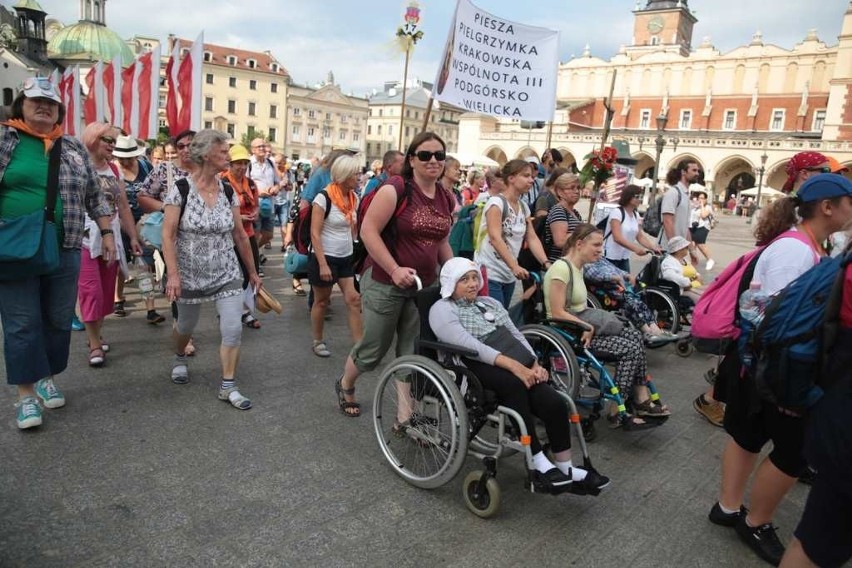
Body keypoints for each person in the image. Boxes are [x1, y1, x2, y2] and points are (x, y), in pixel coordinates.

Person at [708, 174, 852, 566]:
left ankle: (729, 507)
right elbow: (786, 325)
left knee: (748, 435)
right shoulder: (797, 250)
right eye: (848, 202)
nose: (851, 210)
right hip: (775, 366)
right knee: (791, 452)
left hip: (759, 362)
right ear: (827, 207)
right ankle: (754, 520)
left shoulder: (803, 244)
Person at [429, 257, 610, 493]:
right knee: (514, 383)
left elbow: (516, 335)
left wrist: (533, 363)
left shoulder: (489, 303)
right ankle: (536, 460)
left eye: (475, 278)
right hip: (469, 364)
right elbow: (471, 346)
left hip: (511, 360)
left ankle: (565, 467)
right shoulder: (442, 309)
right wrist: (515, 367)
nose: (472, 283)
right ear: (451, 283)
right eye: (464, 280)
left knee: (553, 401)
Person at [0, 77, 117, 429]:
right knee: (21, 322)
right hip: (13, 246)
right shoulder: (5, 139)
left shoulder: (72, 147)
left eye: (50, 103)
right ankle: (25, 397)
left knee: (57, 317)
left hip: (65, 244)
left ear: (59, 111)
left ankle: (47, 376)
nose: (43, 106)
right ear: (21, 104)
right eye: (36, 100)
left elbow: (94, 194)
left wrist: (108, 232)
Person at [335, 132, 455, 417]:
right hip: (384, 281)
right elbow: (368, 231)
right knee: (373, 349)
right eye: (425, 155)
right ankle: (345, 384)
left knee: (411, 351)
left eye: (439, 155)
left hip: (423, 286)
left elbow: (442, 242)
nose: (433, 161)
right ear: (412, 160)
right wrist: (394, 268)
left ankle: (405, 417)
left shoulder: (446, 198)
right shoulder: (397, 189)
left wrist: (456, 274)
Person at [161, 129, 261, 410]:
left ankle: (228, 385)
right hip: (189, 272)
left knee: (232, 329)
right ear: (207, 155)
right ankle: (179, 356)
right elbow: (167, 235)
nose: (229, 157)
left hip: (226, 272)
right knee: (185, 326)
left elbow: (240, 235)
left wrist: (253, 273)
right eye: (224, 152)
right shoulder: (180, 190)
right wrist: (173, 274)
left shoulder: (228, 190)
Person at [543, 223, 669, 428]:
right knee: (629, 349)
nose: (600, 250)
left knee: (636, 336)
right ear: (579, 243)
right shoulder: (561, 269)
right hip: (568, 333)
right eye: (596, 245)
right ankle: (617, 409)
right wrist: (587, 326)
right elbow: (557, 312)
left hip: (579, 327)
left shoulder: (577, 268)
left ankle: (639, 395)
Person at [77, 122, 142, 367]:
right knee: (90, 291)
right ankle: (94, 344)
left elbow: (123, 206)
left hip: (111, 238)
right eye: (108, 140)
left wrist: (133, 237)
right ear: (94, 138)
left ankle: (97, 334)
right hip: (83, 238)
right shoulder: (78, 166)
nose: (112, 146)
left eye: (114, 142)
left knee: (104, 293)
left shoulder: (114, 170)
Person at [137, 130, 197, 355]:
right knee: (179, 282)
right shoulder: (165, 169)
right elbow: (142, 197)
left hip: (198, 239)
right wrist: (166, 208)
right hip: (171, 237)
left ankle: (184, 328)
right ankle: (182, 332)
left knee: (192, 285)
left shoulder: (205, 171)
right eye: (180, 146)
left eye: (190, 145)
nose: (185, 150)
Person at [475, 159, 550, 308]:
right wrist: (514, 266)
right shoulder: (496, 203)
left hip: (508, 275)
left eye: (532, 176)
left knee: (502, 319)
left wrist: (546, 263)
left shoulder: (523, 207)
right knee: (497, 322)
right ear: (511, 178)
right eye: (526, 176)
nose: (531, 180)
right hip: (490, 273)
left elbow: (532, 237)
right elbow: (495, 237)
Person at [308, 154, 363, 357]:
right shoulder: (323, 198)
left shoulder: (353, 198)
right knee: (322, 301)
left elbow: (352, 228)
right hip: (325, 257)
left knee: (354, 299)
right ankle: (317, 340)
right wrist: (322, 264)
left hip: (345, 257)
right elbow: (315, 233)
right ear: (344, 175)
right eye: (355, 174)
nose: (359, 177)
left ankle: (359, 345)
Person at [113, 135, 163, 324]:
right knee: (121, 264)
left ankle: (150, 308)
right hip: (119, 222)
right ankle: (118, 298)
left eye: (129, 158)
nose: (125, 162)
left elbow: (153, 190)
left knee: (144, 264)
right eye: (122, 158)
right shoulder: (113, 170)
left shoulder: (145, 167)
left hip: (144, 222)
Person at [222, 144, 262, 329]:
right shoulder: (222, 182)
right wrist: (238, 217)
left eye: (245, 163)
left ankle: (244, 310)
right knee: (231, 275)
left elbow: (256, 205)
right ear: (230, 164)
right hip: (228, 235)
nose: (242, 167)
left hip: (248, 232)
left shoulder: (251, 183)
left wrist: (254, 213)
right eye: (238, 163)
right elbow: (218, 210)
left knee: (250, 272)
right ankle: (230, 311)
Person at [603, 184, 661, 272]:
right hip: (610, 256)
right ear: (628, 197)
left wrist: (653, 247)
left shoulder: (635, 215)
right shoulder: (617, 213)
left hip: (624, 257)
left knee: (627, 284)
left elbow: (640, 237)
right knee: (612, 284)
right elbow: (617, 238)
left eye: (641, 196)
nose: (640, 199)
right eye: (637, 196)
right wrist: (636, 249)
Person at [543, 173, 584, 262]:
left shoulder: (575, 213)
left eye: (578, 188)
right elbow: (560, 242)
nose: (577, 191)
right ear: (560, 192)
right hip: (559, 264)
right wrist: (583, 232)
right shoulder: (559, 211)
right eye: (572, 188)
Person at [661, 236, 702, 303]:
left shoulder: (684, 260)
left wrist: (696, 277)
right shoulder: (669, 262)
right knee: (704, 300)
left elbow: (694, 274)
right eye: (686, 247)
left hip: (692, 287)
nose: (688, 249)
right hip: (681, 291)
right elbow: (669, 276)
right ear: (679, 249)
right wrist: (691, 280)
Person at [689, 191, 715, 271]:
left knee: (700, 244)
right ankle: (694, 262)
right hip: (693, 227)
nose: (700, 199)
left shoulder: (708, 207)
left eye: (703, 198)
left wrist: (702, 205)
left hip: (703, 227)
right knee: (692, 246)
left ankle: (710, 259)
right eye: (699, 198)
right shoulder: (694, 206)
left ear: (706, 199)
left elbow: (703, 215)